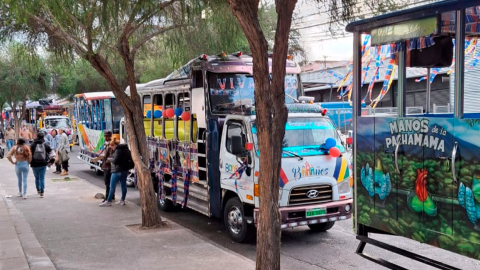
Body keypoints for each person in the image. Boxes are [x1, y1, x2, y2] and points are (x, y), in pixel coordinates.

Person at [99, 139, 133, 207]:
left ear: (114, 145)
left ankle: (108, 201)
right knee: (123, 185)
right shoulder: (127, 149)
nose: (112, 148)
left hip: (117, 170)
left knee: (112, 186)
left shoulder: (118, 150)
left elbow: (116, 160)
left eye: (112, 146)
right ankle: (122, 200)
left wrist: (110, 159)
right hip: (125, 170)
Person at [30, 132, 55, 198]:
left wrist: (29, 161)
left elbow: (29, 154)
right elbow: (52, 153)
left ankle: (38, 189)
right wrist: (51, 160)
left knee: (37, 177)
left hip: (34, 163)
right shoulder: (45, 145)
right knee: (42, 177)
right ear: (43, 137)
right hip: (43, 163)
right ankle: (42, 192)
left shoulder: (33, 145)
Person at [92, 131, 114, 202]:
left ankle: (108, 197)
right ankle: (111, 195)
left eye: (106, 136)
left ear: (109, 137)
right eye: (105, 136)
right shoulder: (107, 144)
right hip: (106, 166)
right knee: (108, 182)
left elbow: (109, 156)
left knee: (107, 182)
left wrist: (103, 159)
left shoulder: (111, 145)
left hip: (108, 166)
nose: (105, 138)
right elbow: (104, 155)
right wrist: (97, 158)